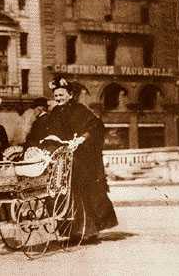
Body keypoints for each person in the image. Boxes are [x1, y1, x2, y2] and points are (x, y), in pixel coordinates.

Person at [45, 77, 118, 244]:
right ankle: (70, 231)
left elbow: (96, 126)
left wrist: (83, 138)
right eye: (56, 95)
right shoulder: (55, 112)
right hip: (61, 157)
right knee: (60, 191)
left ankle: (88, 231)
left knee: (80, 190)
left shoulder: (80, 110)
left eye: (61, 95)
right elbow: (47, 131)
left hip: (81, 158)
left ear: (70, 95)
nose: (58, 98)